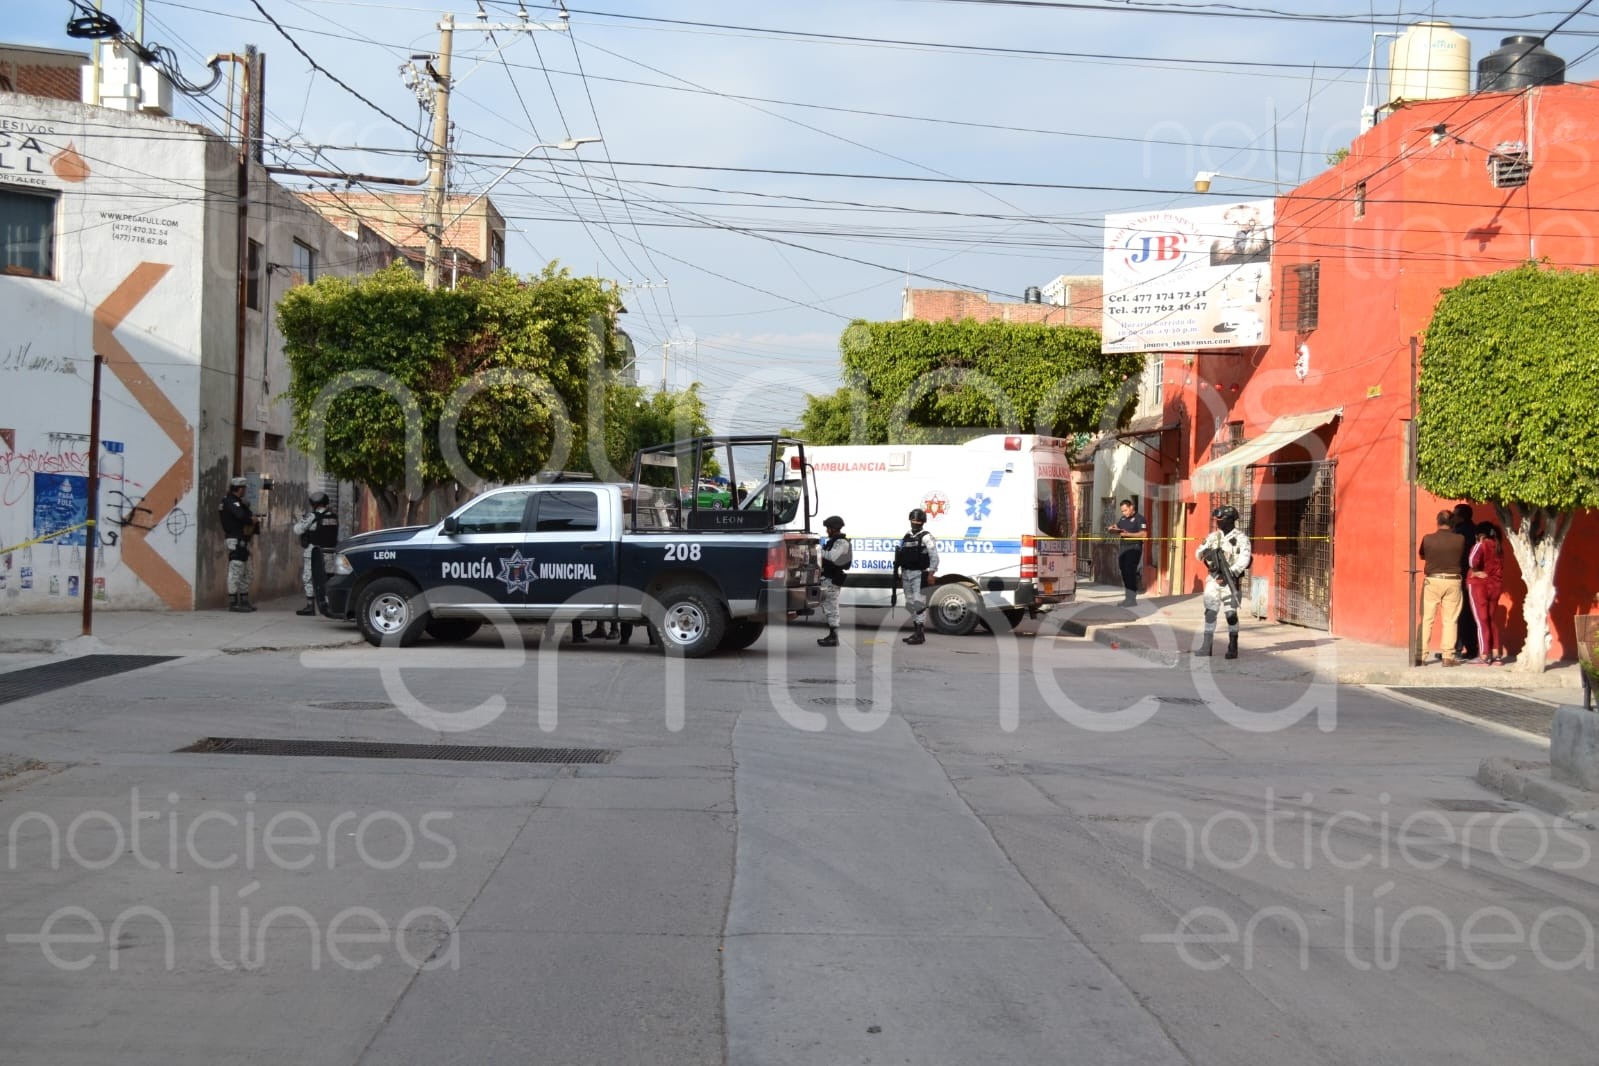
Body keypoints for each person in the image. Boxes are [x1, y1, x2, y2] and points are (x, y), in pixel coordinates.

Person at [1194, 504, 1251, 659]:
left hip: (1230, 579)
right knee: (1210, 613)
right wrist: (1208, 553)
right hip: (1213, 580)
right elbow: (1198, 553)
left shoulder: (1241, 538)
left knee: (1231, 614)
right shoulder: (1213, 537)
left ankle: (1233, 646)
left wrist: (1230, 573)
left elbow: (1244, 559)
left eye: (1222, 519)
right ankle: (1207, 647)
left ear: (1231, 520)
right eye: (1217, 519)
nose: (1218, 522)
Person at [1417, 510, 1467, 666]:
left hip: (1433, 580)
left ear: (1437, 522)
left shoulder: (1428, 539)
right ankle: (1448, 656)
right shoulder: (1460, 539)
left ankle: (1420, 655)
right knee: (1450, 620)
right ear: (1452, 523)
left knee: (1427, 619)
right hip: (1453, 581)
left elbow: (1422, 555)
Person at [894, 507, 939, 645]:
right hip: (906, 573)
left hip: (919, 574)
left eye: (917, 520)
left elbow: (934, 556)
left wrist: (931, 573)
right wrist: (900, 574)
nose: (915, 522)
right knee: (910, 603)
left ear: (922, 522)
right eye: (913, 520)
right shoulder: (907, 536)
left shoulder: (926, 536)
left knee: (918, 603)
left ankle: (920, 633)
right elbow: (902, 555)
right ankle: (916, 631)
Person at [291, 491, 339, 616]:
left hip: (314, 552)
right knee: (328, 578)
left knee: (309, 578)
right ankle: (330, 604)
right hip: (329, 552)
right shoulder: (333, 517)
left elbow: (297, 529)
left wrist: (301, 519)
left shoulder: (312, 516)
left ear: (314, 504)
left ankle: (310, 606)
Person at [1467, 522, 1508, 665]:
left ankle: (1484, 654)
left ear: (1480, 535)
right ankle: (1496, 654)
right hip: (1495, 585)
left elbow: (1472, 561)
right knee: (1491, 620)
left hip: (1480, 586)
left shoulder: (1481, 544)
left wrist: (1476, 572)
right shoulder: (1498, 547)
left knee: (1481, 620)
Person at [218, 476, 258, 613]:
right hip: (235, 540)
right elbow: (241, 516)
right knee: (235, 571)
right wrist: (251, 520)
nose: (246, 490)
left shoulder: (236, 502)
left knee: (247, 572)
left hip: (242, 540)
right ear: (240, 489)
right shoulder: (230, 502)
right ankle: (234, 602)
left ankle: (244, 600)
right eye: (245, 488)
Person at [816, 515, 852, 646]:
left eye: (828, 528)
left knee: (832, 607)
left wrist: (818, 550)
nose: (827, 530)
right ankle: (832, 635)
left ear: (834, 528)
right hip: (828, 578)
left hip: (832, 579)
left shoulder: (841, 542)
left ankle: (833, 637)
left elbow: (832, 556)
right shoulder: (833, 541)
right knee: (828, 607)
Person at [1107, 499, 1147, 606]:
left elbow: (1144, 534)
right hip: (1123, 547)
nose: (1124, 513)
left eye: (1125, 510)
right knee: (1124, 571)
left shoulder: (1140, 519)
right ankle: (1128, 597)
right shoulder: (1123, 518)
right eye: (1122, 511)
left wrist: (1129, 534)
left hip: (1134, 547)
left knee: (1130, 571)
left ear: (1131, 507)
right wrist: (1112, 529)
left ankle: (1132, 599)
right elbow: (1118, 527)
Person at [1451, 503, 1479, 660]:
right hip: (1470, 577)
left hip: (1460, 575)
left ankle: (1458, 647)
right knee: (1469, 613)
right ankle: (1471, 647)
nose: (1452, 518)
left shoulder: (1459, 533)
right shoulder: (1474, 530)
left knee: (1460, 614)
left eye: (1455, 515)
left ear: (1461, 517)